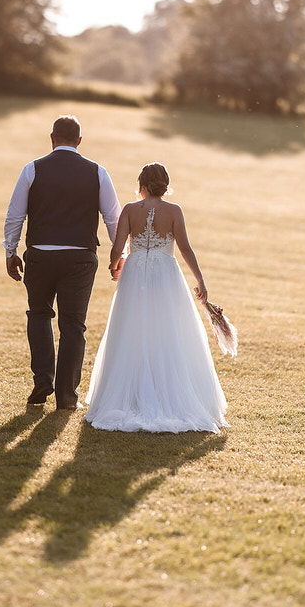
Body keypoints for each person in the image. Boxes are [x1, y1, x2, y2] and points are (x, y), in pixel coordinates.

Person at [84, 163, 230, 433]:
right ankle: (170, 396)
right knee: (167, 330)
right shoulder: (174, 211)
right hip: (166, 275)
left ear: (142, 184)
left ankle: (131, 395)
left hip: (135, 276)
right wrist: (200, 280)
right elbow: (184, 248)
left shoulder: (130, 210)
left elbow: (117, 248)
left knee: (132, 330)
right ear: (164, 184)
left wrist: (115, 265)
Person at [4, 116, 122, 410]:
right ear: (79, 141)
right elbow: (113, 219)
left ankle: (43, 378)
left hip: (40, 255)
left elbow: (15, 214)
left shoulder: (32, 169)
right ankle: (67, 397)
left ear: (52, 138)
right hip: (79, 258)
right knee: (73, 326)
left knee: (39, 314)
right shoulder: (97, 172)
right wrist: (118, 256)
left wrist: (10, 250)